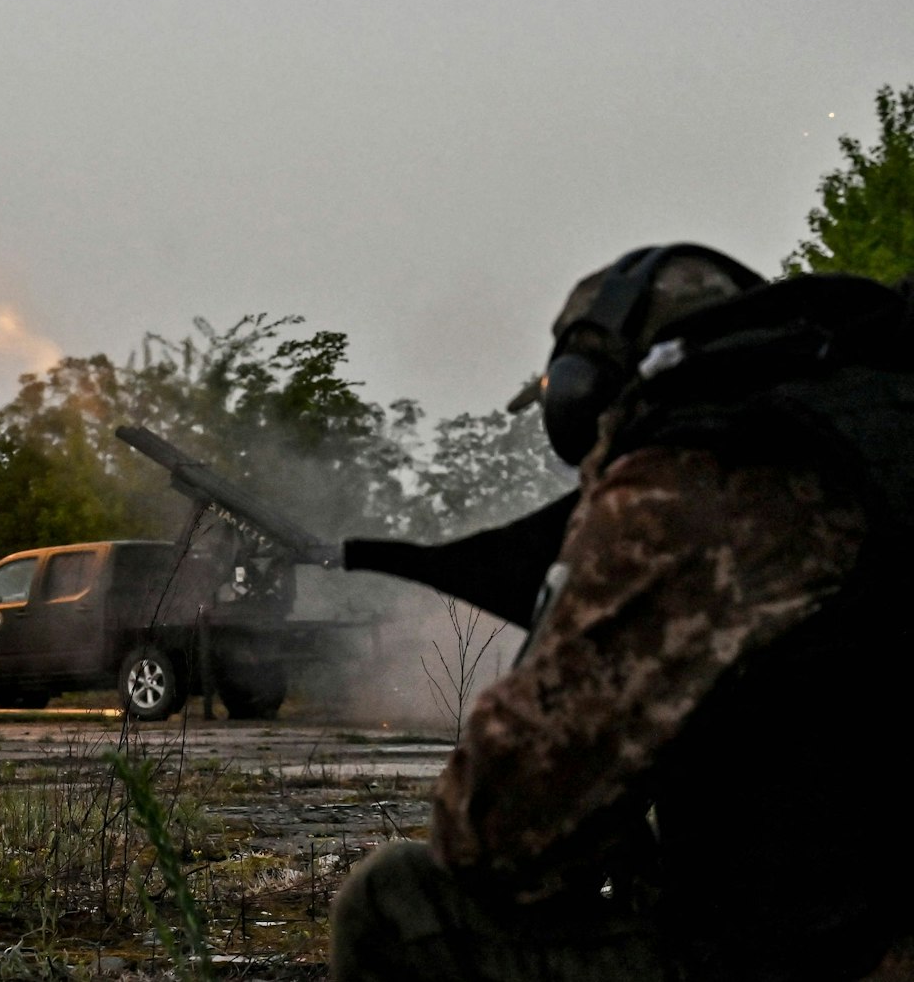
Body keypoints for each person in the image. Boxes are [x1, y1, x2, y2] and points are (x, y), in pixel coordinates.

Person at [330, 244, 914, 981]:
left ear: (585, 389)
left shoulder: (696, 481)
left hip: (825, 952)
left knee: (398, 902)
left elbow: (496, 829)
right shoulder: (874, 439)